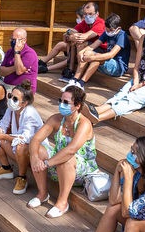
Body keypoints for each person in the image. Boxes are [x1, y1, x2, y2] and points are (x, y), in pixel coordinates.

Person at [88, 10, 145, 123]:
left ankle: (98, 118)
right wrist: (136, 81)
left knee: (132, 97)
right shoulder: (144, 38)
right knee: (122, 93)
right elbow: (137, 65)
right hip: (141, 76)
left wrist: (141, 85)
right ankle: (97, 110)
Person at [26, 84, 98, 218]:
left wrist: (46, 163)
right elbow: (35, 139)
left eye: (66, 102)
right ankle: (42, 194)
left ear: (77, 106)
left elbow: (71, 150)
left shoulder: (84, 124)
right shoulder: (56, 119)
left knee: (67, 158)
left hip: (82, 169)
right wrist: (35, 157)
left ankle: (62, 202)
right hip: (58, 163)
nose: (61, 104)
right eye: (60, 100)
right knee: (39, 150)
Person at [0, 83, 44, 194]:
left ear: (24, 103)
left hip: (34, 153)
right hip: (17, 148)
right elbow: (3, 125)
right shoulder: (11, 109)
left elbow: (25, 138)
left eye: (15, 99)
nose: (11, 100)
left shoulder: (30, 114)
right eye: (10, 96)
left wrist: (3, 136)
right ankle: (6, 168)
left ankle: (22, 177)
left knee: (20, 146)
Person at [45, 2, 104, 80]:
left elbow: (83, 37)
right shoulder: (84, 23)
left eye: (90, 14)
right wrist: (70, 36)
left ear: (97, 14)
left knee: (79, 42)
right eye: (85, 14)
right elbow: (66, 35)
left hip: (100, 50)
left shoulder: (100, 23)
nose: (87, 16)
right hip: (84, 49)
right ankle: (70, 70)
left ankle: (77, 74)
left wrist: (71, 36)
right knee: (72, 41)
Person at [76, 13, 130, 85]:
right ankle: (75, 79)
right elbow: (93, 46)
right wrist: (81, 52)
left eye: (110, 30)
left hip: (118, 67)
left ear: (118, 28)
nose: (108, 32)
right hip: (107, 63)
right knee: (87, 52)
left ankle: (81, 83)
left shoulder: (122, 36)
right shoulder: (106, 33)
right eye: (106, 29)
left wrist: (91, 58)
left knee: (97, 57)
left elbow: (111, 54)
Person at [0, 27, 40, 91]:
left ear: (24, 40)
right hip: (7, 86)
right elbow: (2, 72)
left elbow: (19, 71)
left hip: (23, 90)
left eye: (16, 40)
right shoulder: (9, 52)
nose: (13, 42)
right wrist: (16, 67)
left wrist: (17, 52)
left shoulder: (30, 53)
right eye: (12, 39)